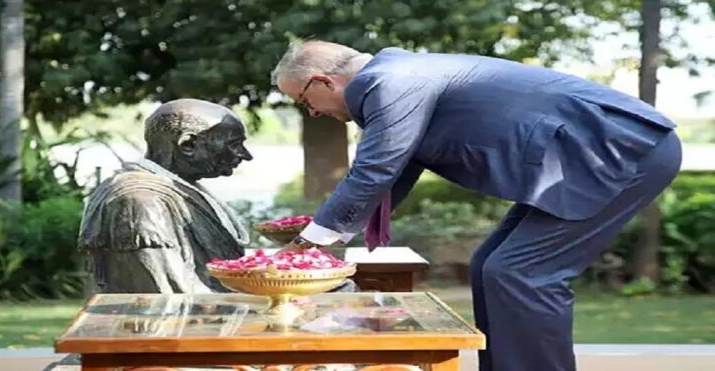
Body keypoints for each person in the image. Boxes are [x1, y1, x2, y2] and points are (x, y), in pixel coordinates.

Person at [270, 40, 682, 371]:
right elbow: (393, 173)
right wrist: (326, 231)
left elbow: (376, 169)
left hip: (620, 149)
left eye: (305, 102)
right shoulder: (396, 77)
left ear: (324, 81)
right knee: (491, 264)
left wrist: (307, 248)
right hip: (593, 154)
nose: (313, 113)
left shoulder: (388, 82)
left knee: (521, 273)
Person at [79, 99, 253, 294]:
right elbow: (168, 294)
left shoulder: (178, 189)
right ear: (188, 144)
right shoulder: (138, 202)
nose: (245, 155)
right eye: (234, 144)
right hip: (165, 323)